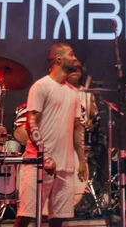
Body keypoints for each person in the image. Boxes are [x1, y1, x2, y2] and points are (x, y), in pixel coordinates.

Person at [17, 43, 86, 227]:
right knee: (26, 216)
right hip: (39, 164)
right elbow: (31, 124)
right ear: (59, 59)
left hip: (65, 165)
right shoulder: (41, 86)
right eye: (71, 54)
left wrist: (82, 160)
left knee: (58, 220)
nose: (75, 59)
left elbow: (77, 128)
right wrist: (45, 157)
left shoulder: (74, 92)